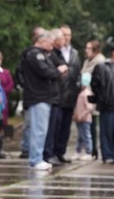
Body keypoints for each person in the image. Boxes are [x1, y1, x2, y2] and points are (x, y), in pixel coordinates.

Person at [21, 32, 65, 170]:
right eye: (50, 43)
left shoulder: (39, 54)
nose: (51, 46)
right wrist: (58, 71)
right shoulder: (35, 54)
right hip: (39, 97)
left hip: (42, 97)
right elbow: (46, 71)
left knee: (41, 129)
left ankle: (37, 158)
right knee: (38, 130)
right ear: (42, 41)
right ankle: (35, 159)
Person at [47, 25, 81, 164]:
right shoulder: (54, 53)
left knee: (66, 127)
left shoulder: (75, 53)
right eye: (64, 35)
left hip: (71, 95)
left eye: (69, 35)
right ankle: (52, 152)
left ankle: (61, 152)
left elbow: (76, 72)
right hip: (57, 94)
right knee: (55, 125)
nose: (66, 38)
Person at [18, 26, 46, 159]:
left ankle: (33, 149)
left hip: (39, 93)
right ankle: (26, 148)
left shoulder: (44, 53)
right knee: (29, 122)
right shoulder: (29, 53)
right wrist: (26, 85)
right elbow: (20, 72)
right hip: (31, 93)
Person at [43, 28, 69, 166]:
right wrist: (60, 71)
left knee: (56, 126)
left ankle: (53, 152)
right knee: (49, 127)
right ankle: (48, 153)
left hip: (59, 95)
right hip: (52, 95)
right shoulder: (49, 55)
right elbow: (52, 72)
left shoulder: (58, 53)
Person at [81, 39, 106, 160]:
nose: (86, 50)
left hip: (94, 95)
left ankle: (94, 149)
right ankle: (88, 149)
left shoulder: (100, 61)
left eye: (88, 48)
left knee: (93, 124)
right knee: (86, 124)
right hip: (85, 95)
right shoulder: (87, 61)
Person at [72, 72, 95, 160]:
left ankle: (89, 152)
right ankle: (78, 151)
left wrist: (82, 115)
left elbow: (90, 107)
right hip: (79, 118)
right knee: (80, 136)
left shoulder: (88, 93)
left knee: (86, 135)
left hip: (85, 119)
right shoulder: (80, 93)